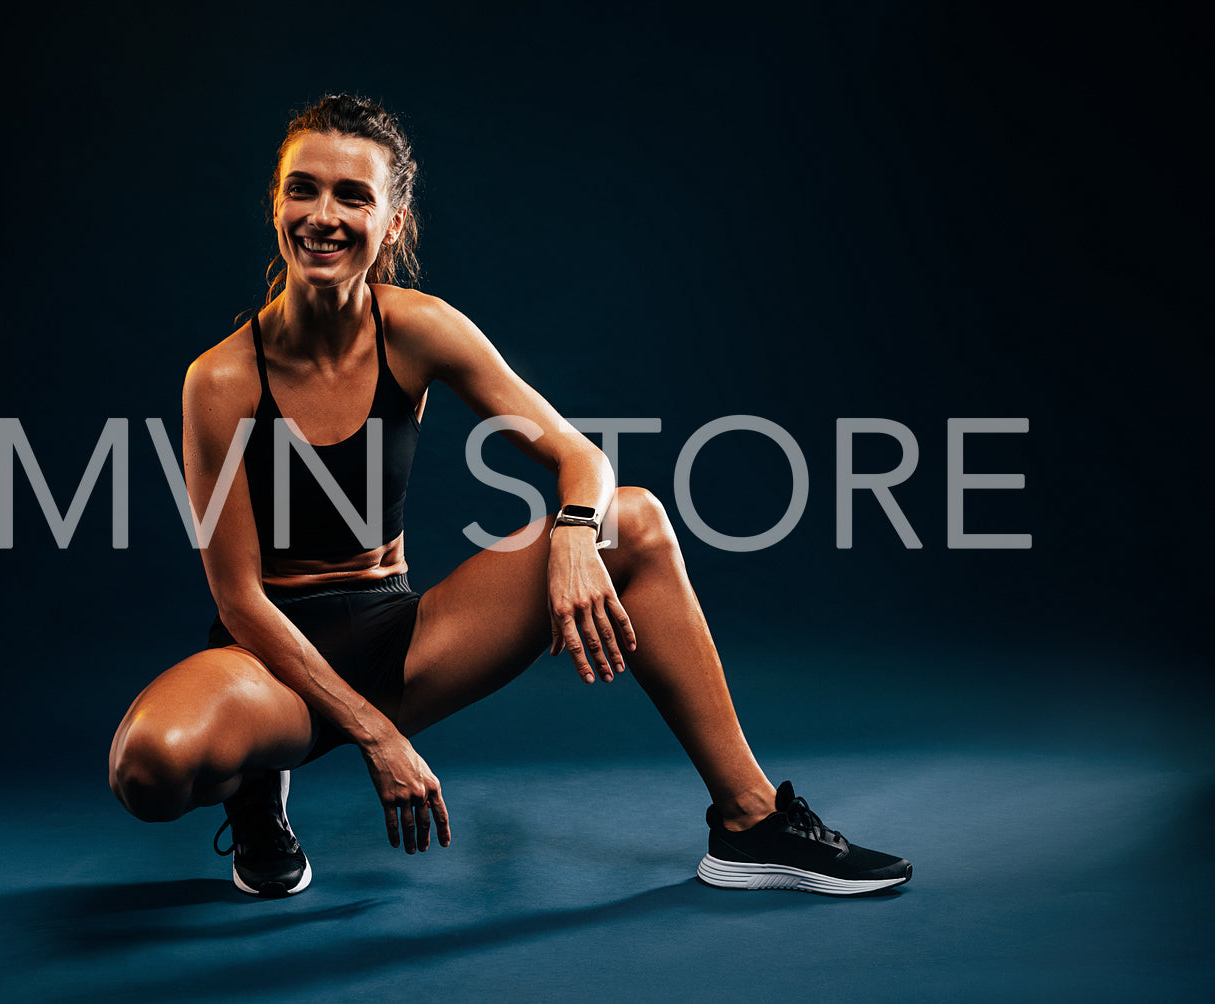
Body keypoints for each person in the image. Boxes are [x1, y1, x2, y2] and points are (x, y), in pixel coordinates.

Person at [108, 94, 911, 899]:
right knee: (150, 767)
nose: (323, 215)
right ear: (275, 204)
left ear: (392, 224)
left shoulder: (418, 330)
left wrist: (570, 537)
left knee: (631, 521)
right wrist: (376, 737)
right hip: (271, 662)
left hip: (399, 636)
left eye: (353, 196)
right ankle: (258, 781)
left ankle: (748, 821)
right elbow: (239, 598)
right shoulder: (219, 380)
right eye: (303, 189)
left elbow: (577, 456)